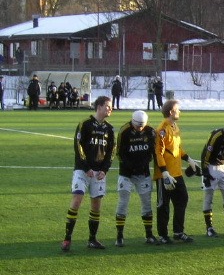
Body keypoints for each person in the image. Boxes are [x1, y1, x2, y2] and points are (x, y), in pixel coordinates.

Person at [61, 96, 114, 251]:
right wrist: (86, 167)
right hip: (82, 170)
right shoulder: (85, 124)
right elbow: (78, 147)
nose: (110, 109)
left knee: (96, 205)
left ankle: (92, 239)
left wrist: (104, 170)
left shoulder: (109, 128)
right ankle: (67, 239)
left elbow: (111, 152)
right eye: (107, 106)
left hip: (99, 173)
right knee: (77, 200)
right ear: (99, 107)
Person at [153, 99, 196, 244]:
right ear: (171, 112)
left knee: (182, 199)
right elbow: (159, 153)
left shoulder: (175, 127)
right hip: (165, 175)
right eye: (178, 109)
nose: (180, 112)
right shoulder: (162, 129)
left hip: (177, 173)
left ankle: (178, 231)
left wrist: (188, 158)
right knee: (163, 205)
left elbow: (176, 149)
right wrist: (164, 173)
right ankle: (163, 235)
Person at [114, 110, 159, 246]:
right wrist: (130, 166)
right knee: (123, 203)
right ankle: (119, 236)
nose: (140, 128)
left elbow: (154, 151)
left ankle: (149, 235)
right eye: (137, 125)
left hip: (143, 173)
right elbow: (119, 152)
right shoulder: (124, 131)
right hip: (126, 174)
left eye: (142, 126)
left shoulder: (150, 131)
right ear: (132, 121)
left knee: (146, 203)